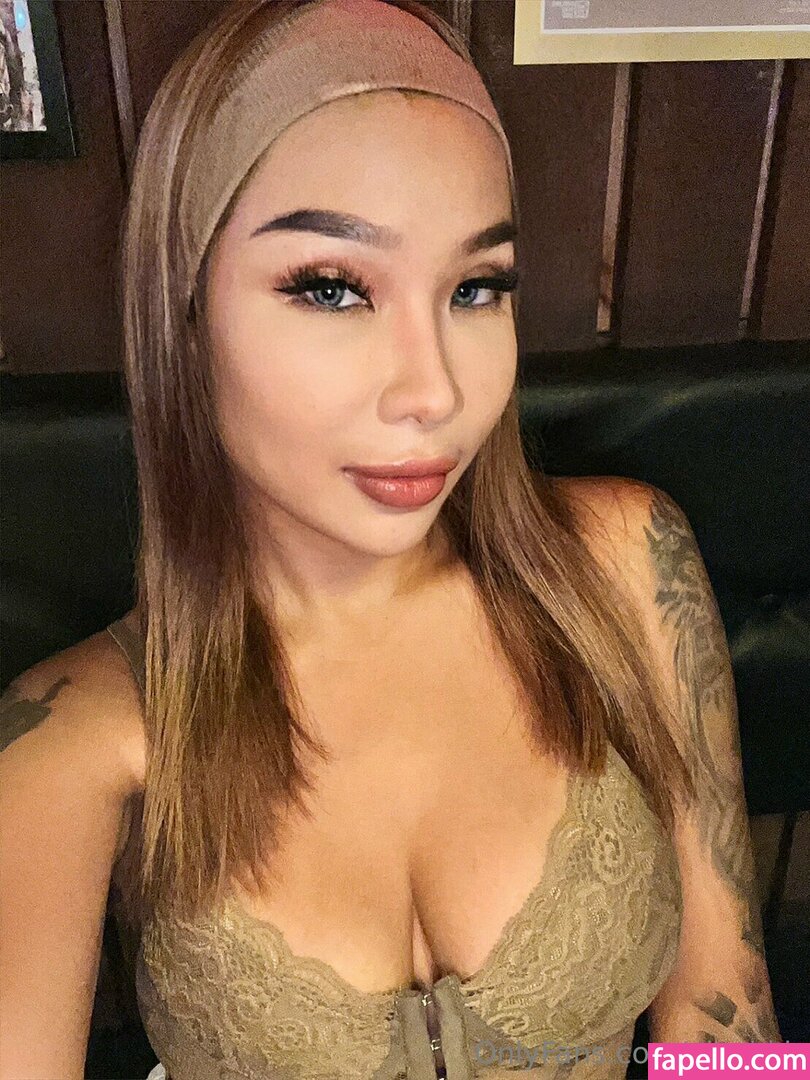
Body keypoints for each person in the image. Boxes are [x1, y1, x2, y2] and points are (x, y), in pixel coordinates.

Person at [0, 1, 781, 1077]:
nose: (435, 391)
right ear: (184, 313)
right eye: (332, 288)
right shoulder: (73, 739)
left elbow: (727, 1016)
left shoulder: (624, 561)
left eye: (476, 288)